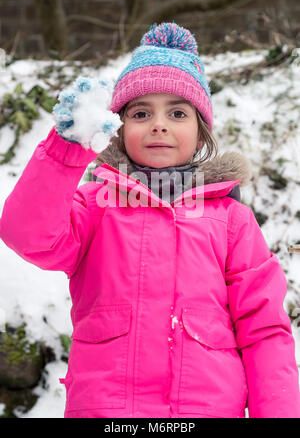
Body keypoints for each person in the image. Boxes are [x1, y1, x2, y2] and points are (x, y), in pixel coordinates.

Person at [0, 22, 300, 419]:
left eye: (177, 112)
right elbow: (30, 235)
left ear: (200, 130)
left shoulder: (231, 220)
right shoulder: (95, 207)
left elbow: (263, 332)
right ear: (119, 129)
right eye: (141, 113)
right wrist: (65, 152)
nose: (159, 124)